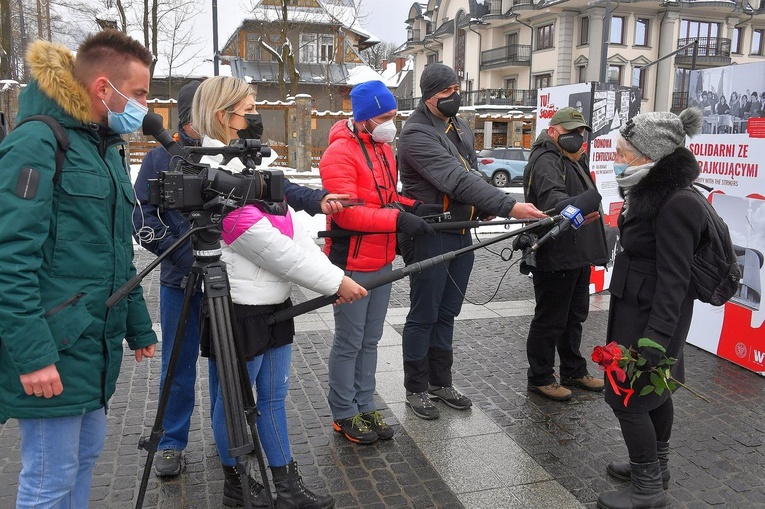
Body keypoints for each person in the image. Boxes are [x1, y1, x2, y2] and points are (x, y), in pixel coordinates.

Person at [133, 82, 352, 479]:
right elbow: (143, 219)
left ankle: (229, 444)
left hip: (228, 283)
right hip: (181, 279)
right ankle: (170, 441)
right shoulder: (160, 157)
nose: (252, 117)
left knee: (227, 374)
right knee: (177, 366)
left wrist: (316, 199)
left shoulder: (236, 155)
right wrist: (191, 255)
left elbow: (272, 192)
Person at [193, 75, 367, 509]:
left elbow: (292, 234)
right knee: (234, 402)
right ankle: (239, 485)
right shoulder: (212, 176)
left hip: (276, 305)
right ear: (223, 116)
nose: (257, 116)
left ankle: (286, 486)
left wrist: (332, 273)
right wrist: (333, 282)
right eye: (249, 109)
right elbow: (262, 244)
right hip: (238, 307)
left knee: (273, 398)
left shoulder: (258, 168)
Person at [0, 31, 157, 508]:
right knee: (48, 480)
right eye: (140, 93)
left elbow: (112, 252)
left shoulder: (104, 147)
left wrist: (137, 326)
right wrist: (33, 356)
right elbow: (9, 259)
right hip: (55, 347)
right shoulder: (39, 142)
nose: (145, 106)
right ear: (103, 88)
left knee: (83, 460)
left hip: (93, 345)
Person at [397, 63, 546, 420]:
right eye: (446, 92)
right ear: (429, 96)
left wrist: (484, 204)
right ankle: (416, 388)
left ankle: (440, 382)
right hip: (431, 232)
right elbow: (453, 179)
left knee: (448, 311)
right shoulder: (416, 133)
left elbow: (472, 171)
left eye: (456, 89)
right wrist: (508, 204)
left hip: (461, 229)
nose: (455, 97)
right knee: (424, 313)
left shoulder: (459, 125)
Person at [598, 107, 704, 509]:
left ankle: (646, 489)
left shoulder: (676, 202)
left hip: (652, 319)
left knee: (628, 396)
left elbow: (675, 279)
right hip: (635, 308)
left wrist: (656, 339)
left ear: (649, 155)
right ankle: (655, 467)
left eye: (623, 151)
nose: (616, 158)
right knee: (656, 390)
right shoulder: (647, 191)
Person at [320, 80, 436, 443]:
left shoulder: (384, 147)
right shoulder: (339, 153)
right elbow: (348, 214)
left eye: (394, 115)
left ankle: (365, 404)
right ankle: (344, 412)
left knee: (370, 341)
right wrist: (399, 220)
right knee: (349, 342)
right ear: (366, 117)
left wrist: (410, 206)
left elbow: (384, 197)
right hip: (351, 261)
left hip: (381, 257)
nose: (392, 123)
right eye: (386, 116)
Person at [522, 107, 609, 402]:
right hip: (555, 251)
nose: (577, 137)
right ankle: (541, 377)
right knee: (550, 319)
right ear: (554, 130)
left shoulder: (573, 158)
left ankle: (573, 369)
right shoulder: (546, 159)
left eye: (580, 132)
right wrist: (578, 206)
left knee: (574, 317)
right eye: (570, 132)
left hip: (576, 252)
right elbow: (552, 199)